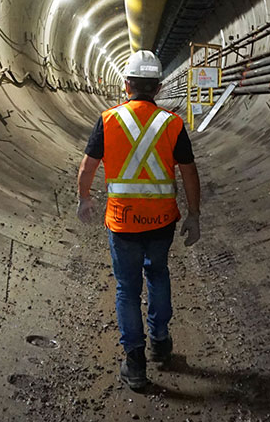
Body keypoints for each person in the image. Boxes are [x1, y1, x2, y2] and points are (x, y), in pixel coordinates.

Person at [75, 50, 201, 390]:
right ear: (158, 88)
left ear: (127, 85)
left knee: (127, 289)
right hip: (162, 221)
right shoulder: (172, 123)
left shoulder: (108, 120)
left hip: (122, 222)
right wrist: (194, 214)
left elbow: (88, 167)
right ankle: (160, 341)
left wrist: (84, 198)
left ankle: (135, 362)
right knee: (158, 274)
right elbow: (189, 172)